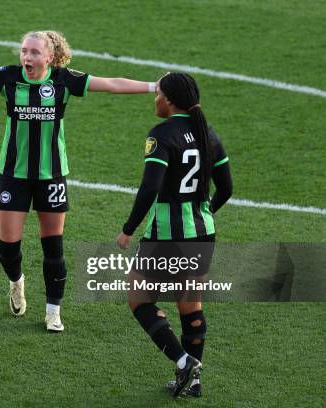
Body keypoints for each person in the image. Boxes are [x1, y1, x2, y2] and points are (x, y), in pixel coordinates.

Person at [0, 30, 155, 331]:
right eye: (23, 51)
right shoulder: (8, 78)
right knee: (7, 249)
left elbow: (110, 84)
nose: (27, 57)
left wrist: (153, 86)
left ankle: (53, 310)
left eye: (33, 52)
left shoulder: (64, 80)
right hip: (13, 175)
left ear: (50, 57)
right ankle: (16, 282)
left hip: (52, 176)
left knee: (53, 247)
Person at [117, 72, 233, 397]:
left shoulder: (161, 134)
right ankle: (193, 383)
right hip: (203, 233)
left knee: (138, 296)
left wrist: (128, 229)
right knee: (190, 305)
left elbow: (150, 187)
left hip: (166, 236)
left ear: (167, 100)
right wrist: (203, 213)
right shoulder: (207, 133)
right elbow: (226, 188)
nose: (154, 99)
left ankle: (184, 363)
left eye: (156, 94)